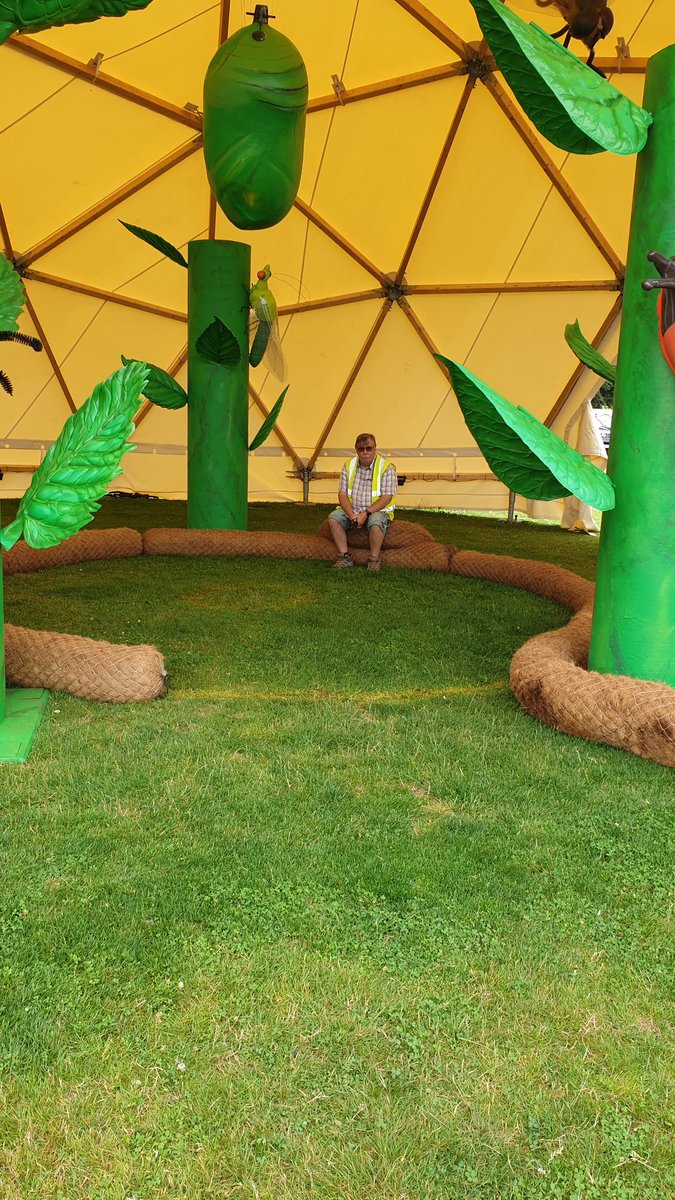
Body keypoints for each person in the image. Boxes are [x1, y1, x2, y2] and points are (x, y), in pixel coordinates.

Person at [328, 433, 397, 571]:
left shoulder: (386, 467)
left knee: (376, 522)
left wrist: (365, 514)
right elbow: (342, 494)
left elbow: (386, 498)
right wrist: (351, 514)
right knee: (334, 518)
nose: (365, 452)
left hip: (379, 511)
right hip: (353, 510)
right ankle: (345, 557)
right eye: (361, 449)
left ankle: (374, 560)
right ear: (356, 451)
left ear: (375, 449)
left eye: (368, 448)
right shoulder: (349, 465)